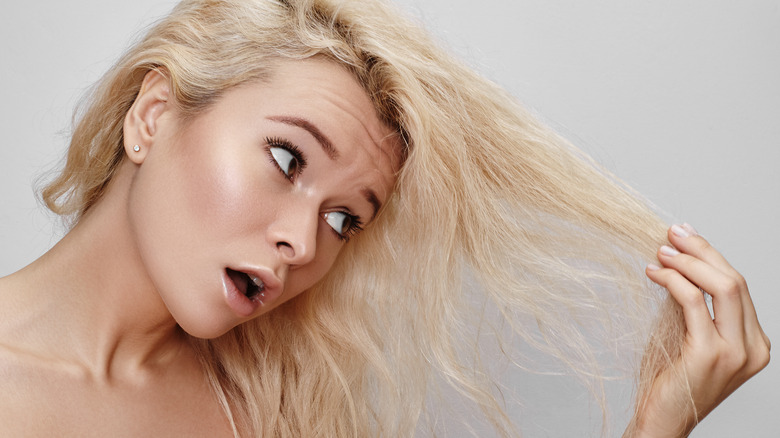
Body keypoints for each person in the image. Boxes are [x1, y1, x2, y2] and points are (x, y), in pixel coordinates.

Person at [0, 0, 769, 436]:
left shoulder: (268, 407)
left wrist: (658, 422)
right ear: (153, 114)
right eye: (288, 160)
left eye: (345, 221)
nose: (301, 244)